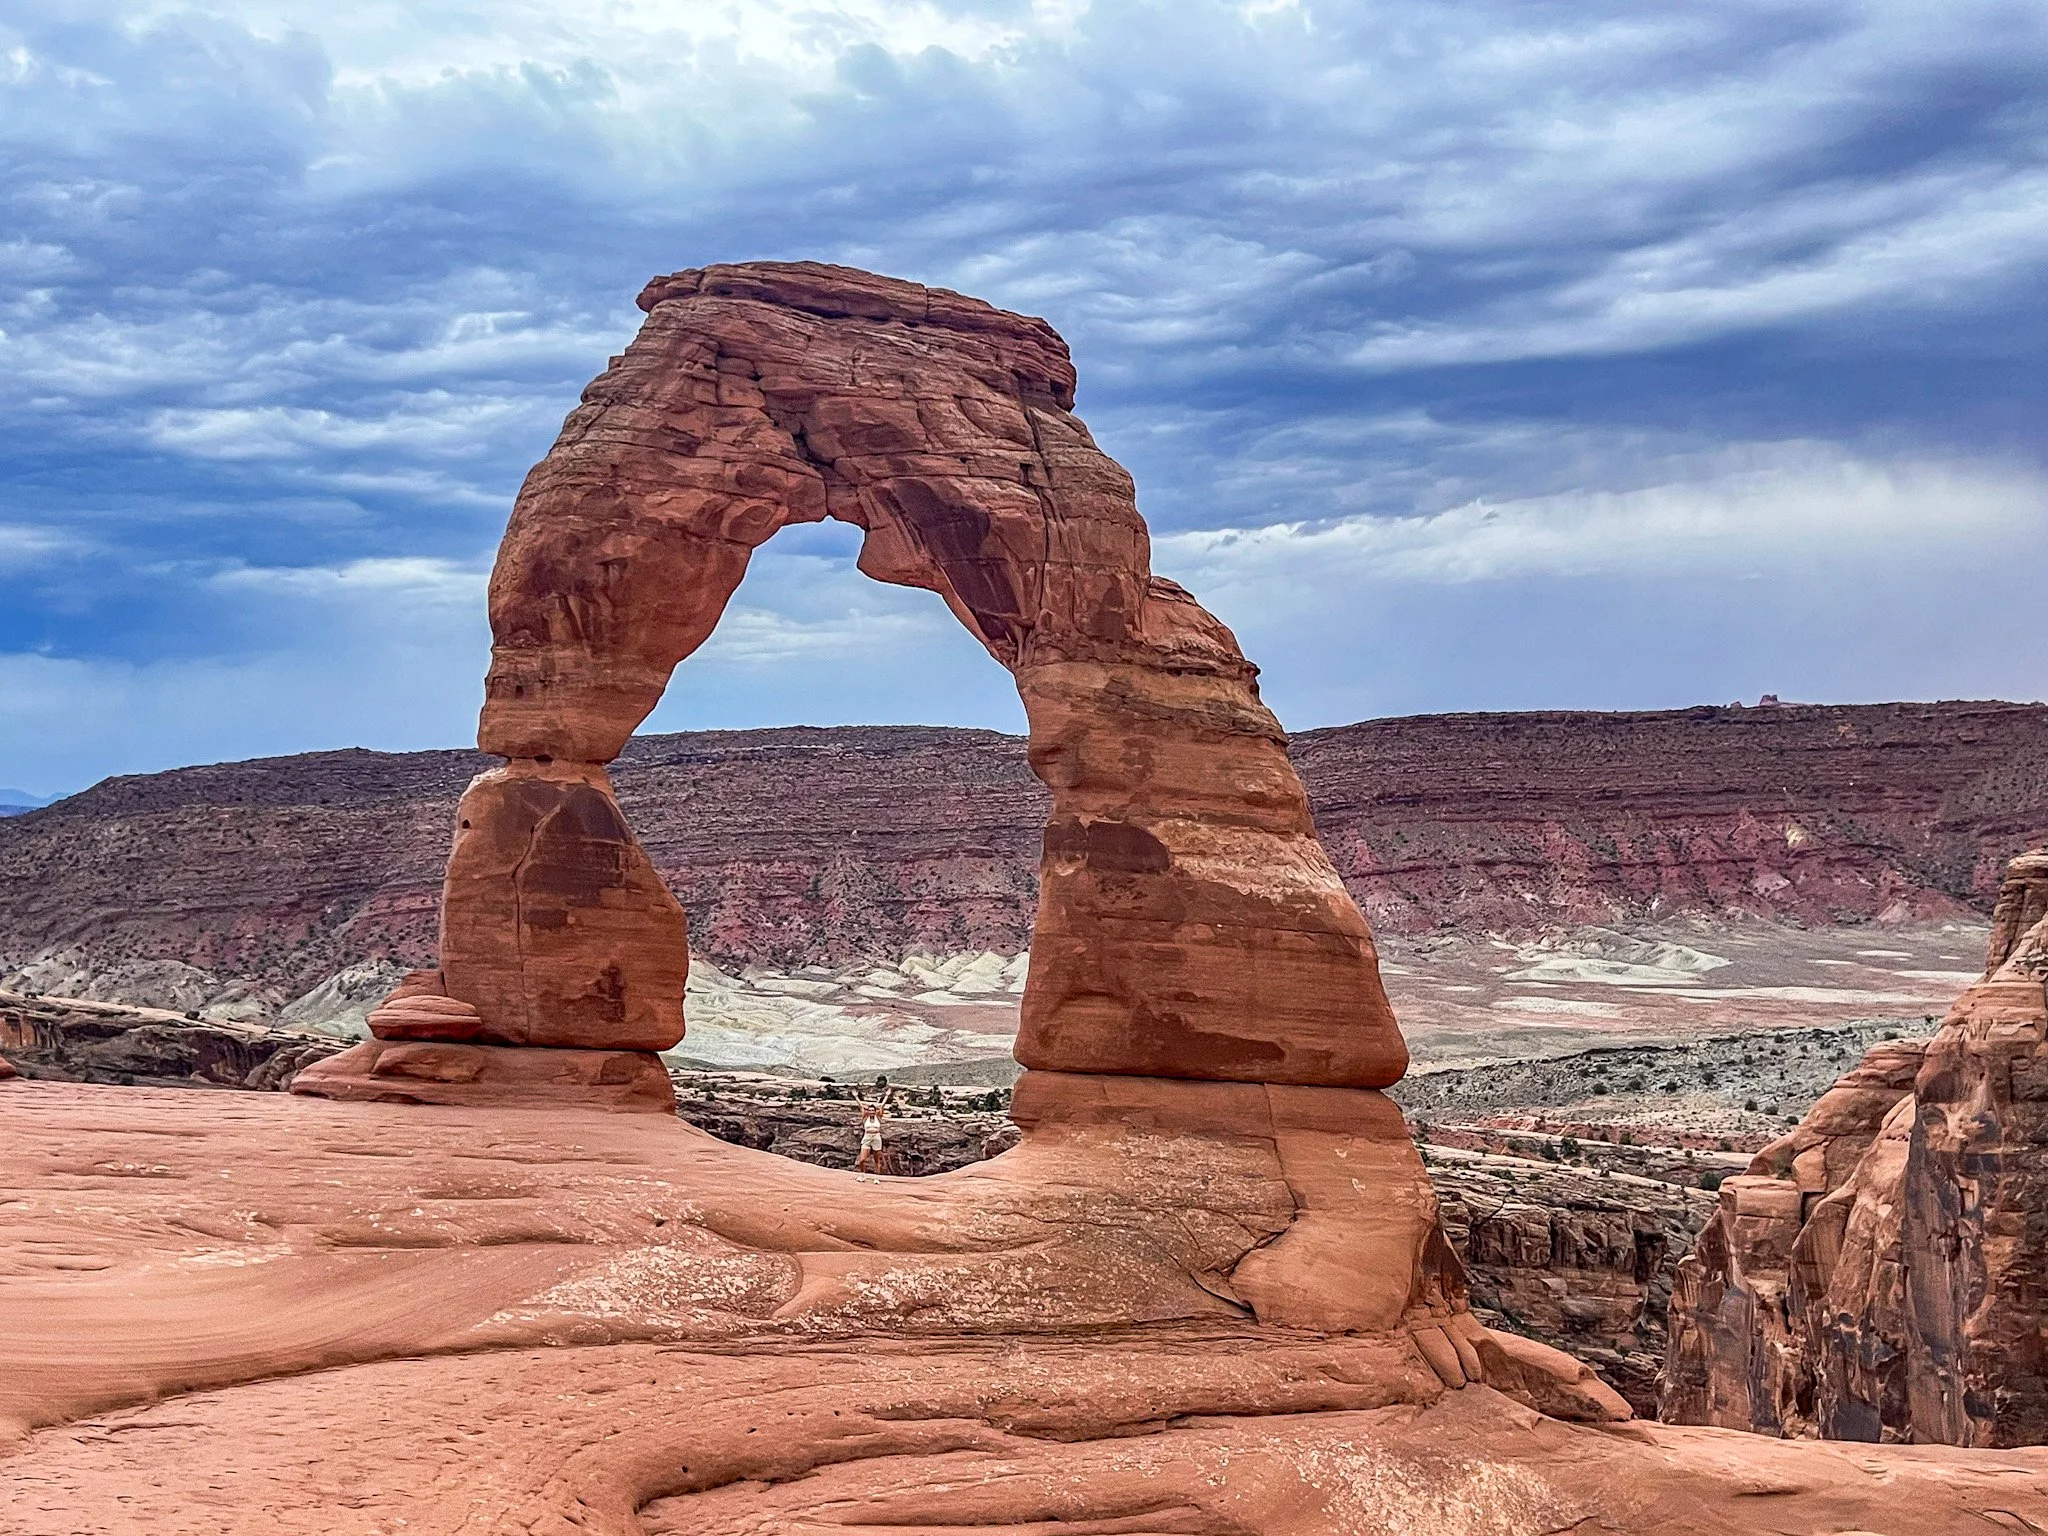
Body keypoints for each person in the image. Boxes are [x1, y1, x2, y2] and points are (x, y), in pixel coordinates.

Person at [854, 1095, 889, 1176]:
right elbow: (861, 1106)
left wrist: (887, 1095)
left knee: (877, 1160)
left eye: (873, 1110)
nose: (871, 1112)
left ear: (875, 1111)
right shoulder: (865, 1117)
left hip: (876, 1138)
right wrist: (856, 1097)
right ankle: (862, 1175)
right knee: (862, 1159)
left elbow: (882, 1105)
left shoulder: (878, 1117)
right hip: (867, 1137)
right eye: (870, 1110)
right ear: (868, 1111)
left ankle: (876, 1177)